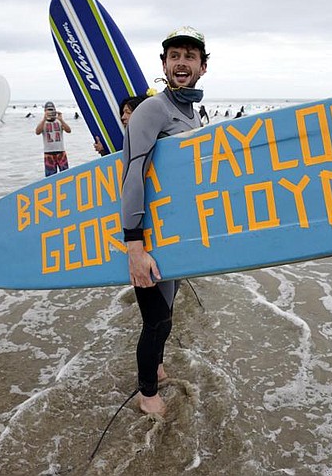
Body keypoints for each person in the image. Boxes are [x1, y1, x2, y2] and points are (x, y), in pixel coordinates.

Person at [121, 26, 208, 415]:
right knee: (155, 319)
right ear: (164, 64)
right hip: (147, 237)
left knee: (167, 314)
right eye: (175, 56)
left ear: (202, 67)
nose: (182, 62)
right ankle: (146, 394)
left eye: (190, 56)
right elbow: (132, 174)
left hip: (173, 237)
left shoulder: (192, 113)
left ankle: (155, 366)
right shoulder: (153, 109)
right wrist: (134, 245)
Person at [35, 101, 71, 176]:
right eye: (48, 110)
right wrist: (44, 119)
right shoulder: (43, 123)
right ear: (45, 111)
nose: (50, 112)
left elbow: (69, 130)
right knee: (50, 176)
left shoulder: (59, 121)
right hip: (48, 153)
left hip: (61, 152)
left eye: (52, 110)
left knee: (66, 175)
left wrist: (61, 119)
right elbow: (37, 132)